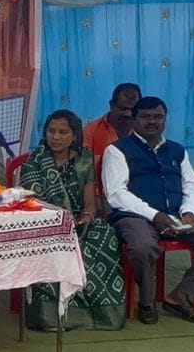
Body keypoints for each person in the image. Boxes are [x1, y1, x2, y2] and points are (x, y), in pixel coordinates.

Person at [103, 96, 194, 325]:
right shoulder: (117, 150)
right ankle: (146, 302)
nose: (152, 121)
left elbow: (191, 185)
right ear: (134, 119)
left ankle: (181, 297)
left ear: (165, 120)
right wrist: (154, 215)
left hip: (177, 215)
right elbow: (116, 194)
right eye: (145, 117)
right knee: (143, 246)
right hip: (136, 217)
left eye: (158, 117)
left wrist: (189, 212)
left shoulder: (176, 150)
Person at [19, 109, 126, 330]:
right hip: (44, 222)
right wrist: (62, 223)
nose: (55, 137)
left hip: (77, 220)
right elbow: (32, 203)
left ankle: (102, 315)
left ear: (75, 135)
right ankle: (50, 316)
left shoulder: (84, 159)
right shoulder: (34, 161)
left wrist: (87, 217)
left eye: (63, 132)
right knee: (56, 243)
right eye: (51, 131)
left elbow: (90, 203)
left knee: (105, 234)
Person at [84, 83, 141, 178]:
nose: (128, 114)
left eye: (133, 110)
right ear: (111, 105)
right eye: (122, 109)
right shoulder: (91, 130)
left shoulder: (144, 132)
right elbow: (83, 168)